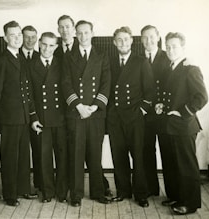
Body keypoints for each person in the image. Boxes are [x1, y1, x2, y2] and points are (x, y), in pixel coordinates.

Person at [56, 15, 113, 197]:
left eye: (86, 32)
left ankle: (97, 193)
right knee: (76, 156)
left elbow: (106, 83)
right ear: (75, 34)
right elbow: (65, 83)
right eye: (79, 33)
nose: (83, 36)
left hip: (95, 114)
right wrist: (78, 105)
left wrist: (95, 106)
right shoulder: (68, 56)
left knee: (95, 156)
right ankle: (76, 195)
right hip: (76, 113)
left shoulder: (102, 56)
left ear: (92, 33)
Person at [0, 20, 38, 207]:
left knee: (24, 155)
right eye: (13, 35)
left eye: (19, 35)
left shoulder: (21, 58)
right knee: (10, 156)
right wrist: (3, 113)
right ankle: (10, 194)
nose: (17, 38)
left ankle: (23, 188)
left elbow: (27, 90)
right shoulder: (2, 60)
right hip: (10, 118)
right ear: (5, 38)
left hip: (23, 116)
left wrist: (31, 115)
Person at [157, 32, 208, 215]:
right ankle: (177, 196)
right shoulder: (169, 67)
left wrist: (182, 112)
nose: (170, 50)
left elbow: (201, 97)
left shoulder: (190, 68)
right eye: (168, 47)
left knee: (186, 166)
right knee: (171, 164)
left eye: (174, 47)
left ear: (183, 48)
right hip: (169, 126)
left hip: (184, 126)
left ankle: (190, 203)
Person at [107, 26, 155, 208]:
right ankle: (123, 191)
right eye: (119, 40)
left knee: (138, 156)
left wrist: (141, 111)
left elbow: (150, 92)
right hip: (115, 118)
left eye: (126, 39)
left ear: (131, 41)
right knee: (118, 155)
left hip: (134, 117)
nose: (123, 43)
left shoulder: (141, 61)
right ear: (114, 42)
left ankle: (141, 193)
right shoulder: (109, 61)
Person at [29, 32, 68, 203]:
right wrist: (33, 117)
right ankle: (47, 192)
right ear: (39, 44)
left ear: (56, 47)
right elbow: (28, 95)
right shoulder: (30, 65)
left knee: (62, 157)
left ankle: (61, 192)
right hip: (41, 120)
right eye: (44, 44)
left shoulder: (62, 64)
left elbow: (67, 90)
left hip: (60, 119)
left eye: (51, 45)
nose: (47, 48)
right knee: (44, 158)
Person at [140, 25, 171, 197]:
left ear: (158, 37)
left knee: (167, 153)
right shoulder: (137, 59)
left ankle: (171, 192)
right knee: (146, 152)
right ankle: (151, 189)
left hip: (163, 115)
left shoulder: (168, 57)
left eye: (152, 37)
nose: (148, 41)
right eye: (145, 37)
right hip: (145, 115)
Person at [19, 25, 41, 191]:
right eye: (27, 37)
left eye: (33, 37)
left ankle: (40, 184)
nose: (30, 40)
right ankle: (23, 185)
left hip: (37, 113)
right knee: (21, 152)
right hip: (18, 113)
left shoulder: (41, 57)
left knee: (39, 149)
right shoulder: (15, 56)